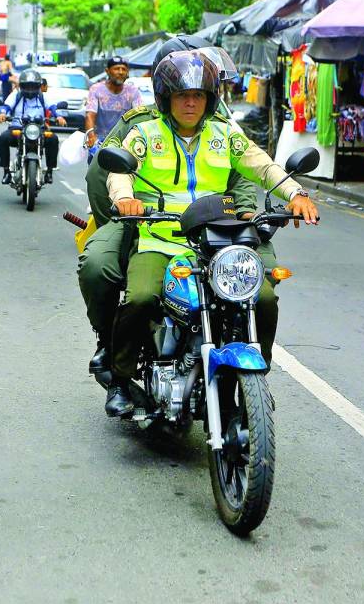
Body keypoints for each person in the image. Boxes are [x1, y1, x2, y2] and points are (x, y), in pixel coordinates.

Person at [103, 49, 319, 418]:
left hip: (216, 243)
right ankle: (120, 381)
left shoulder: (225, 136)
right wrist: (125, 199)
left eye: (198, 95)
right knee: (139, 298)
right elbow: (119, 170)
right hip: (161, 238)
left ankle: (255, 383)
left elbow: (263, 167)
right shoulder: (145, 133)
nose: (190, 102)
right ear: (166, 98)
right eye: (182, 95)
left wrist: (296, 193)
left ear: (209, 99)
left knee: (263, 299)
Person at [78, 36, 262, 381]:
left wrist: (246, 212)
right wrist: (122, 218)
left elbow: (244, 173)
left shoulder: (224, 125)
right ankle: (110, 343)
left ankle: (250, 364)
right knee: (97, 265)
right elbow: (100, 176)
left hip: (218, 224)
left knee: (261, 280)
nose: (194, 93)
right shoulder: (141, 123)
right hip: (143, 219)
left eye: (204, 81)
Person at [0, 68, 65, 184]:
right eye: (27, 86)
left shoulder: (43, 97)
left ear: (38, 86)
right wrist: (2, 114)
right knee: (3, 138)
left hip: (39, 130)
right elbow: (6, 107)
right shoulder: (16, 95)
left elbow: (53, 108)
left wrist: (58, 117)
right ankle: (6, 172)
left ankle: (49, 172)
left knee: (53, 139)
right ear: (22, 86)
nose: (30, 89)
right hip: (18, 129)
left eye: (33, 86)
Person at [84, 55, 144, 155]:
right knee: (95, 168)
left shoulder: (133, 91)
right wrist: (91, 136)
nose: (120, 72)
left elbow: (139, 116)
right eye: (116, 69)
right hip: (100, 140)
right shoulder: (96, 89)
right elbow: (90, 115)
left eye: (124, 69)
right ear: (107, 71)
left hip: (125, 141)